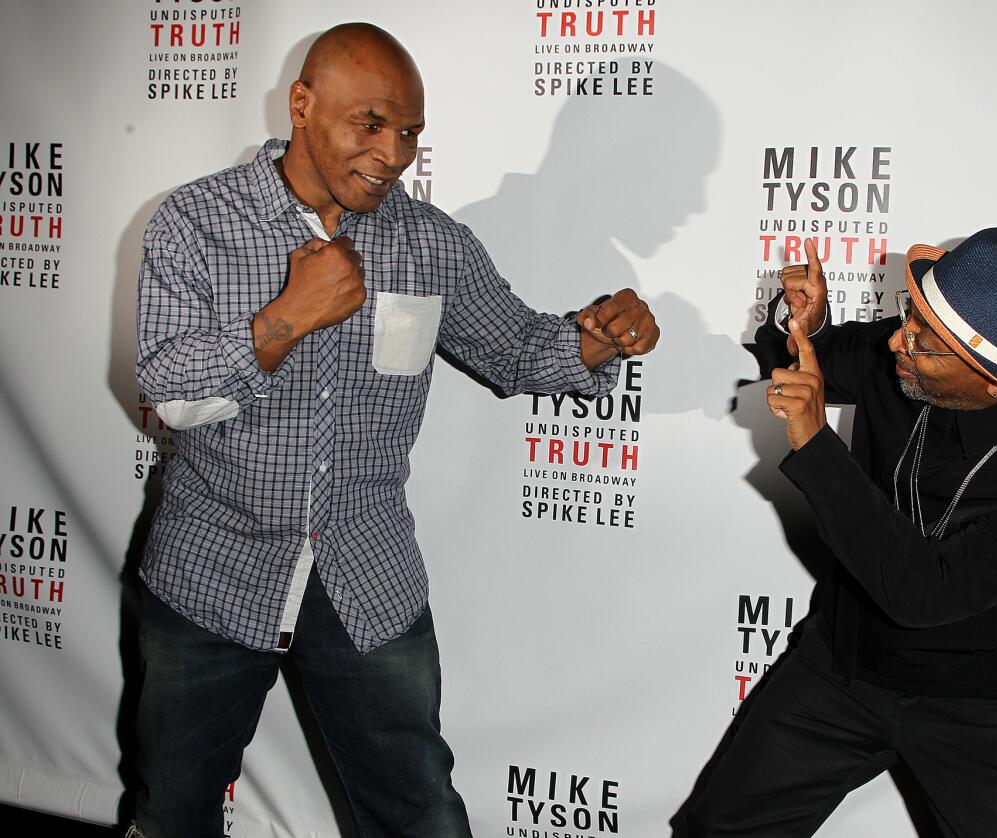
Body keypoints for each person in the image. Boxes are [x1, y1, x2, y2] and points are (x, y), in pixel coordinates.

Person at [131, 22, 659, 838]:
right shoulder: (194, 222)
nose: (393, 153)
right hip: (211, 572)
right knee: (174, 815)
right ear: (302, 105)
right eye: (368, 124)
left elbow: (517, 348)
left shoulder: (427, 242)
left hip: (364, 574)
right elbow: (167, 391)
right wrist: (284, 320)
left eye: (409, 132)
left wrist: (594, 339)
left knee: (419, 815)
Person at [672, 228, 997, 837]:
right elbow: (800, 359)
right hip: (842, 664)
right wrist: (801, 324)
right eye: (909, 316)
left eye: (923, 343)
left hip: (987, 702)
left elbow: (924, 595)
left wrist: (816, 445)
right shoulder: (904, 353)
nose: (897, 341)